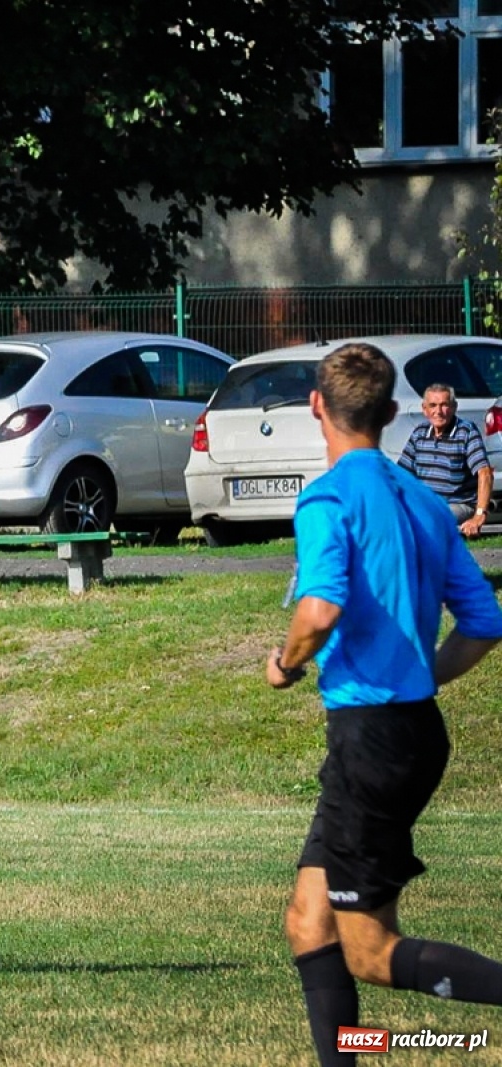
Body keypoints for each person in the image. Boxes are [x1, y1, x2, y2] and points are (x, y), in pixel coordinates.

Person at [269, 344, 502, 1067]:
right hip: (411, 731)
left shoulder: (330, 496)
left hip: (369, 741)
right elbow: (487, 622)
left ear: (316, 406)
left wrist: (284, 663)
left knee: (368, 950)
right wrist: (419, 673)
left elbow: (320, 606)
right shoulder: (424, 501)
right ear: (395, 413)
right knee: (309, 921)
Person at [396, 382, 493, 537]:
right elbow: (400, 476)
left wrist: (479, 515)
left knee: (428, 519)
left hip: (457, 503)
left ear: (454, 407)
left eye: (444, 405)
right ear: (424, 409)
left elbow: (485, 473)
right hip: (425, 503)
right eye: (433, 405)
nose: (438, 411)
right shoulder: (419, 433)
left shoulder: (466, 432)